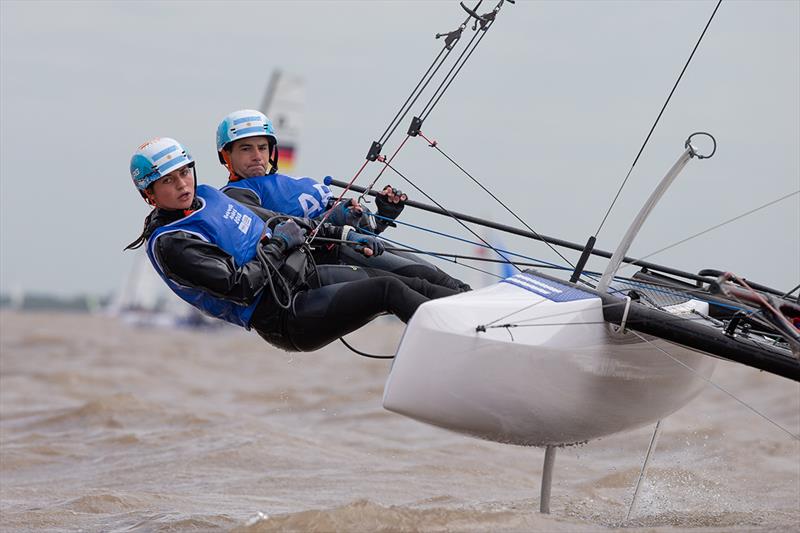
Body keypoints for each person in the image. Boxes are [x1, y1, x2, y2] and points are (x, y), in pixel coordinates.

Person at [125, 137, 457, 352]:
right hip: (286, 314)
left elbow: (281, 223)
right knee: (389, 291)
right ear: (148, 194)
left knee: (409, 284)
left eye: (184, 173)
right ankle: (461, 345)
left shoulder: (208, 195)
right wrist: (278, 245)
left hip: (306, 275)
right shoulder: (173, 243)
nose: (182, 184)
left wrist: (339, 229)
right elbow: (238, 286)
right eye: (167, 181)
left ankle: (476, 317)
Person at [216, 109, 471, 292]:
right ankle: (469, 314)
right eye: (246, 149)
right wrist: (330, 219)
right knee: (421, 280)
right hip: (326, 258)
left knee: (435, 274)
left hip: (354, 244)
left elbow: (361, 227)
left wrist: (382, 214)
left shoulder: (297, 182)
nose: (257, 156)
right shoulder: (237, 195)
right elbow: (276, 232)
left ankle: (477, 303)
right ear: (227, 156)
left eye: (262, 147)